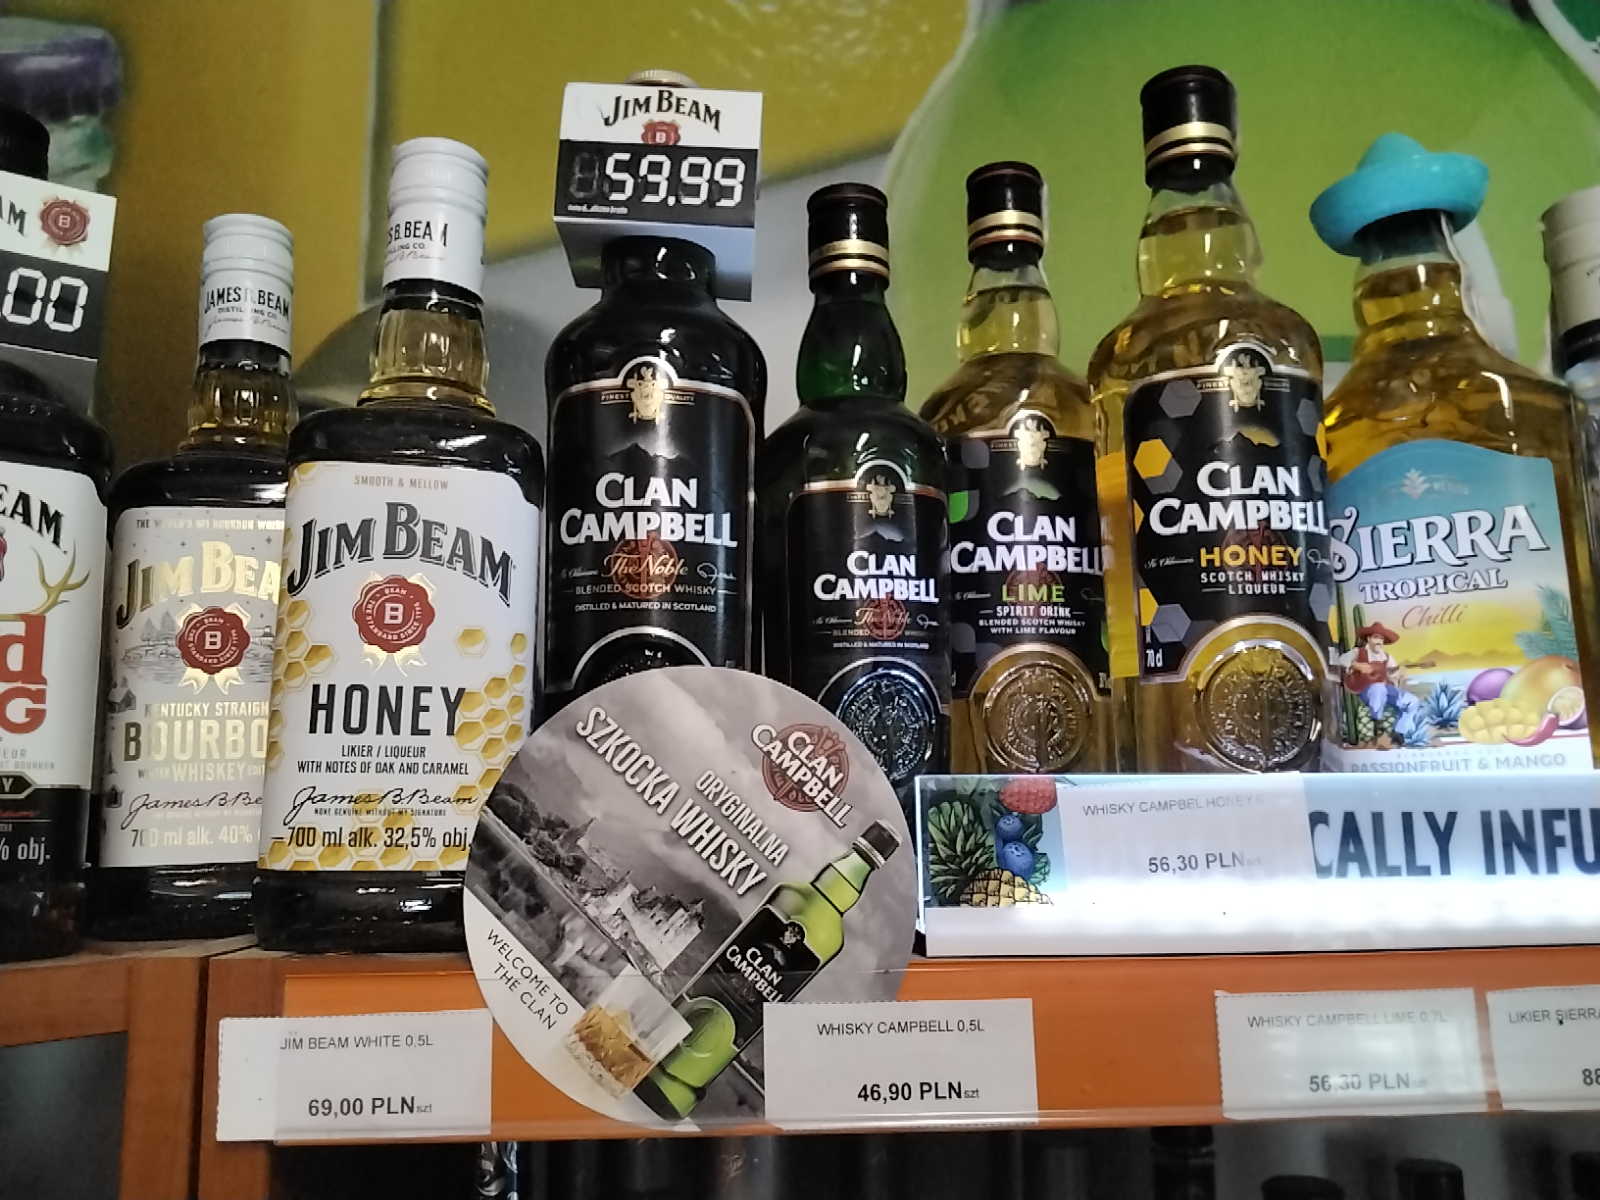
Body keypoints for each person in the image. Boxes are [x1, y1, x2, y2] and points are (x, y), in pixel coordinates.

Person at [1340, 622, 1424, 741]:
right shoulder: (1358, 652)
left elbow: (1392, 675)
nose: (1378, 641)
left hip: (1385, 690)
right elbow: (1341, 660)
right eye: (1376, 637)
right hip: (1366, 690)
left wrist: (1398, 674)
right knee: (1378, 688)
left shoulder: (1387, 657)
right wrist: (1357, 665)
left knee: (1412, 701)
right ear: (1369, 639)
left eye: (1381, 638)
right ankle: (1378, 723)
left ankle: (1399, 731)